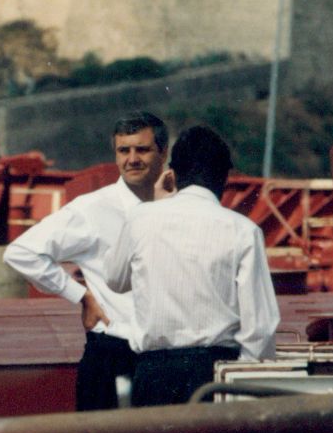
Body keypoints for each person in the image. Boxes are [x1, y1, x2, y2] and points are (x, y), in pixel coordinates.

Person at [3, 112, 169, 410]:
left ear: (163, 153)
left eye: (142, 150)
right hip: (112, 355)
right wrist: (80, 295)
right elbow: (21, 252)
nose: (132, 159)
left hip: (165, 359)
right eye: (123, 150)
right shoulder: (92, 210)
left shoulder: (177, 208)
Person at [107, 125, 280, 407]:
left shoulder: (140, 218)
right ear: (224, 177)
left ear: (172, 175)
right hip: (214, 373)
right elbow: (260, 329)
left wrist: (156, 201)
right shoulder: (243, 230)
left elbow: (115, 279)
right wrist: (240, 386)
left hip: (153, 373)